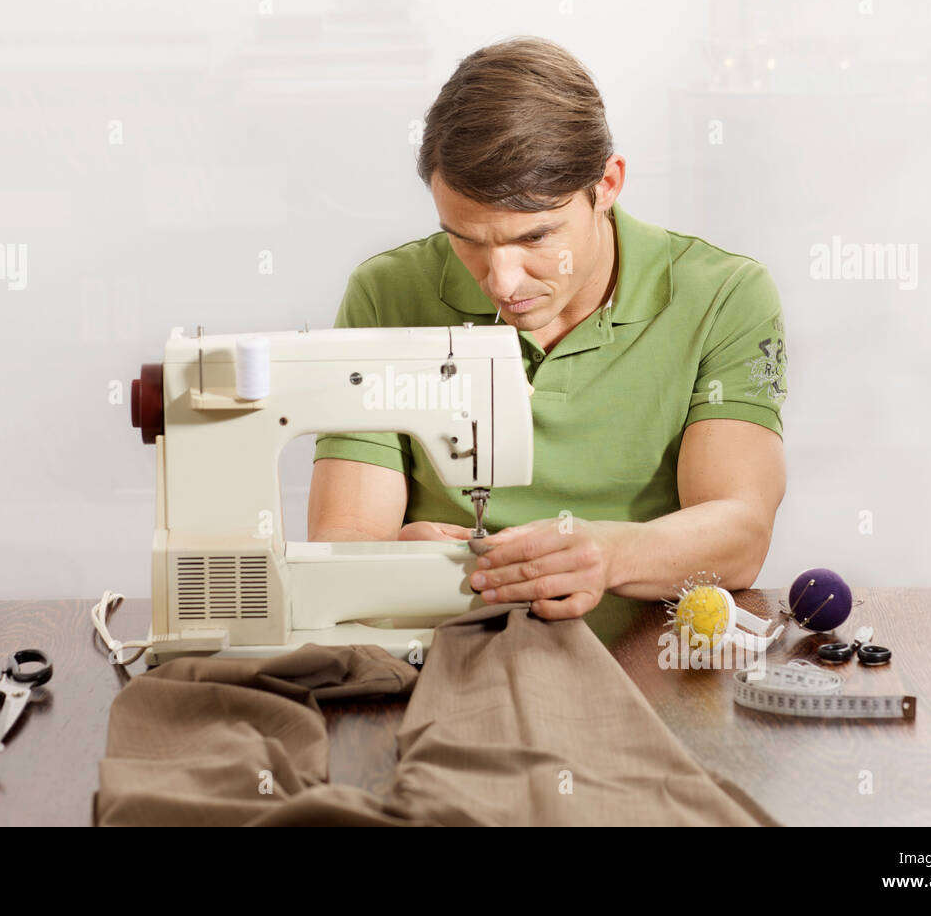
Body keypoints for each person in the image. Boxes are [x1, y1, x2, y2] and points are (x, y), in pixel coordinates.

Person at [307, 36, 787, 645]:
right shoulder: (388, 294)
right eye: (468, 240)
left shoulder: (724, 297)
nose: (501, 283)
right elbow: (342, 541)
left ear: (606, 184)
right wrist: (391, 560)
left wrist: (607, 554)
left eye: (534, 238)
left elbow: (741, 534)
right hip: (441, 662)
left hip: (645, 668)